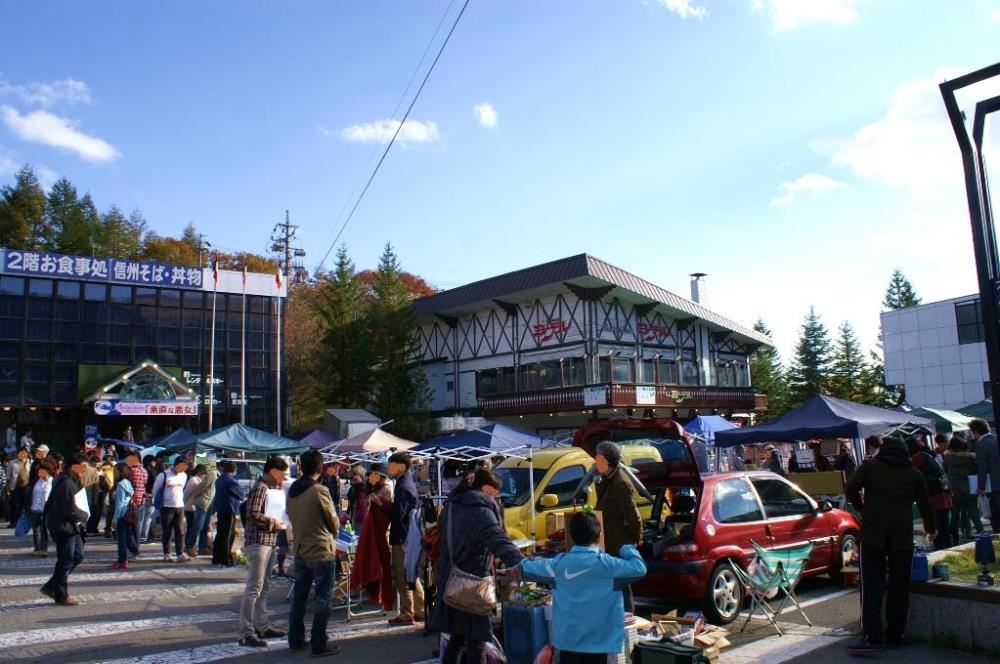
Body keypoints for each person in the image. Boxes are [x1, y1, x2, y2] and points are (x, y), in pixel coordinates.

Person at [845, 436, 935, 654]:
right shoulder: (914, 473)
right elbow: (925, 502)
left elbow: (850, 488)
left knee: (871, 584)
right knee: (899, 585)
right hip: (902, 536)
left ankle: (873, 636)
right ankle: (896, 634)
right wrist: (931, 527)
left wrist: (863, 508)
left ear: (883, 450)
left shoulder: (871, 466)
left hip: (873, 534)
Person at [520, 512, 647, 664]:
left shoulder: (559, 564)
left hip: (568, 643)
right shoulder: (609, 565)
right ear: (599, 536)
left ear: (571, 536)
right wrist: (627, 548)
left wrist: (513, 563)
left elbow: (525, 568)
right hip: (601, 644)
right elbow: (639, 568)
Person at [430, 469, 525, 664]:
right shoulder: (481, 509)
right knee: (477, 640)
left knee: (457, 637)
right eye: (495, 491)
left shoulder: (453, 504)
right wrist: (521, 562)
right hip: (472, 582)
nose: (497, 496)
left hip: (451, 579)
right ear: (486, 489)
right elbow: (497, 539)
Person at [286, 449, 342, 657]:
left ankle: (296, 639)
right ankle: (319, 643)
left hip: (301, 549)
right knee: (323, 598)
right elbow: (333, 521)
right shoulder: (319, 490)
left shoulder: (293, 489)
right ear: (320, 468)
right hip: (320, 550)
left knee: (299, 597)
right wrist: (333, 532)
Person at [238, 455, 288, 648]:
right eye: (282, 474)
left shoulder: (268, 488)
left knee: (264, 586)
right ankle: (246, 632)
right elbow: (252, 513)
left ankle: (262, 625)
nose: (283, 478)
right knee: (254, 588)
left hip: (268, 541)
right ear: (273, 470)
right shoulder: (260, 487)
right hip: (258, 542)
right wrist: (271, 521)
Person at [594, 441, 642, 612]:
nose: (595, 461)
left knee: (622, 585)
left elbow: (632, 515)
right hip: (609, 540)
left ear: (607, 461)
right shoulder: (608, 479)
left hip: (619, 542)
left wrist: (637, 538)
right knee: (613, 585)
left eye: (598, 458)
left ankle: (628, 620)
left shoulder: (620, 482)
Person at [41, 452, 90, 606]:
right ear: (74, 466)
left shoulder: (71, 479)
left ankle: (51, 586)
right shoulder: (66, 482)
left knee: (77, 556)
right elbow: (70, 509)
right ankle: (61, 595)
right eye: (83, 466)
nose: (84, 469)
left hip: (71, 526)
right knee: (66, 559)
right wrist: (85, 515)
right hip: (63, 526)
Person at [385, 451, 424, 625]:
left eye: (391, 465)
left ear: (402, 467)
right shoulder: (404, 483)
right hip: (407, 535)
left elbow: (398, 514)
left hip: (402, 537)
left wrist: (381, 506)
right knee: (410, 575)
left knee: (404, 575)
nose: (389, 468)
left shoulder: (403, 486)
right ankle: (420, 610)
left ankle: (408, 612)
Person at [352, 464, 395, 611]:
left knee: (382, 564)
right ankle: (376, 592)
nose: (372, 478)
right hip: (374, 531)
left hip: (383, 533)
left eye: (375, 475)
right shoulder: (374, 489)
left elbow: (388, 511)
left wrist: (379, 502)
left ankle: (383, 595)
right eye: (370, 475)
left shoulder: (386, 489)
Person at [908, 436, 953, 550]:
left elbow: (918, 476)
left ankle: (940, 547)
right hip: (942, 492)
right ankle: (947, 547)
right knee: (943, 524)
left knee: (936, 523)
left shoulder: (918, 458)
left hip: (933, 494)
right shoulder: (928, 455)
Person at [944, 436, 983, 543]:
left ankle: (954, 536)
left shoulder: (947, 458)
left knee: (955, 515)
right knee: (974, 514)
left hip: (955, 491)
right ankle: (982, 534)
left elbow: (945, 469)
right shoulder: (970, 458)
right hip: (969, 490)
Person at [153, 456, 190, 562]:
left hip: (179, 506)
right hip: (166, 507)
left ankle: (180, 554)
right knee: (167, 531)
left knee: (180, 531)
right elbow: (155, 490)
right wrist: (157, 505)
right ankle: (167, 554)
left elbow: (182, 489)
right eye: (183, 467)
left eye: (186, 468)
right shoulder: (163, 475)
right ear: (177, 464)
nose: (184, 470)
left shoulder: (184, 476)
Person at [969, 418, 1000, 533]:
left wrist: (981, 487)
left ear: (976, 431)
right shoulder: (995, 439)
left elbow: (982, 468)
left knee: (995, 514)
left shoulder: (981, 444)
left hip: (992, 485)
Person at [211, 460, 244, 567]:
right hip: (230, 509)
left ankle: (217, 557)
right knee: (228, 535)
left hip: (221, 509)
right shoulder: (231, 481)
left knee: (220, 534)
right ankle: (227, 559)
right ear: (234, 470)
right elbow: (241, 495)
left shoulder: (220, 479)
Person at [111, 463, 134, 570]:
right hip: (128, 514)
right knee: (127, 536)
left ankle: (122, 560)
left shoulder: (120, 485)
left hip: (122, 515)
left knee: (121, 539)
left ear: (120, 472)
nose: (113, 472)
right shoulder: (127, 482)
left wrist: (115, 519)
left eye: (115, 470)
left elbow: (119, 504)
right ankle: (132, 553)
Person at [29, 459, 55, 556]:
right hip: (34, 508)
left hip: (46, 509)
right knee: (36, 530)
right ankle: (37, 548)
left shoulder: (53, 481)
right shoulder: (36, 481)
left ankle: (44, 549)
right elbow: (30, 493)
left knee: (44, 529)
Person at [124, 451, 147, 559]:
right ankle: (136, 549)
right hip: (141, 500)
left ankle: (134, 550)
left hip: (131, 501)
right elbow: (144, 484)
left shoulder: (131, 471)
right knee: (136, 526)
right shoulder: (144, 470)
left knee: (129, 527)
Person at [183, 464, 206, 557]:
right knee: (192, 527)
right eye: (204, 472)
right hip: (190, 507)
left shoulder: (197, 480)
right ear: (200, 472)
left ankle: (188, 545)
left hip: (193, 507)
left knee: (192, 527)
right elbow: (187, 494)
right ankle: (188, 546)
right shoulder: (194, 481)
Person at [7, 447, 31, 528]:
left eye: (24, 453)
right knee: (16, 506)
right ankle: (14, 523)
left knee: (26, 506)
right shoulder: (12, 463)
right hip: (15, 487)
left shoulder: (30, 463)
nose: (23, 455)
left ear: (27, 454)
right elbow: (8, 477)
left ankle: (25, 523)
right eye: (21, 453)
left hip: (27, 487)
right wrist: (7, 489)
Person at [138, 456, 160, 544]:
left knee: (141, 517)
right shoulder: (152, 472)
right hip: (150, 495)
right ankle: (143, 536)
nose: (155, 464)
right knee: (148, 517)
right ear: (151, 462)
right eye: (154, 462)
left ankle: (138, 536)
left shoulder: (142, 471)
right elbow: (154, 484)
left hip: (141, 495)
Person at [347, 465, 369, 531]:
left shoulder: (364, 488)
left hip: (361, 517)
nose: (353, 479)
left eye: (355, 476)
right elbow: (347, 499)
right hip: (354, 515)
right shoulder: (353, 488)